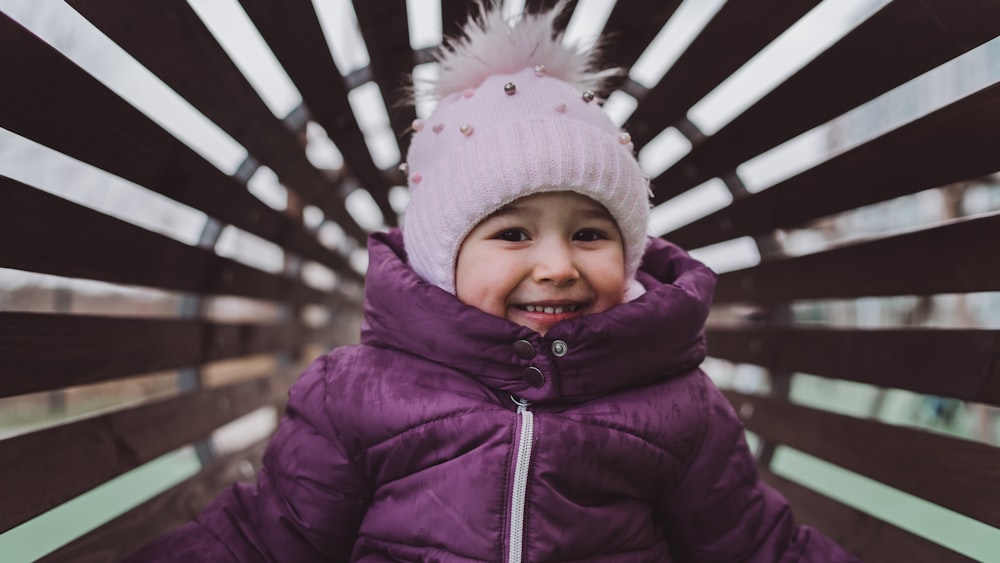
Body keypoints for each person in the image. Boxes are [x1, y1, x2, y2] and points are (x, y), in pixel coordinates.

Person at [126, 3, 859, 561]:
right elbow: (265, 536)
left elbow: (757, 544)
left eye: (590, 233)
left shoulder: (678, 408)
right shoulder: (356, 393)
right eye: (513, 232)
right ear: (444, 258)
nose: (557, 265)